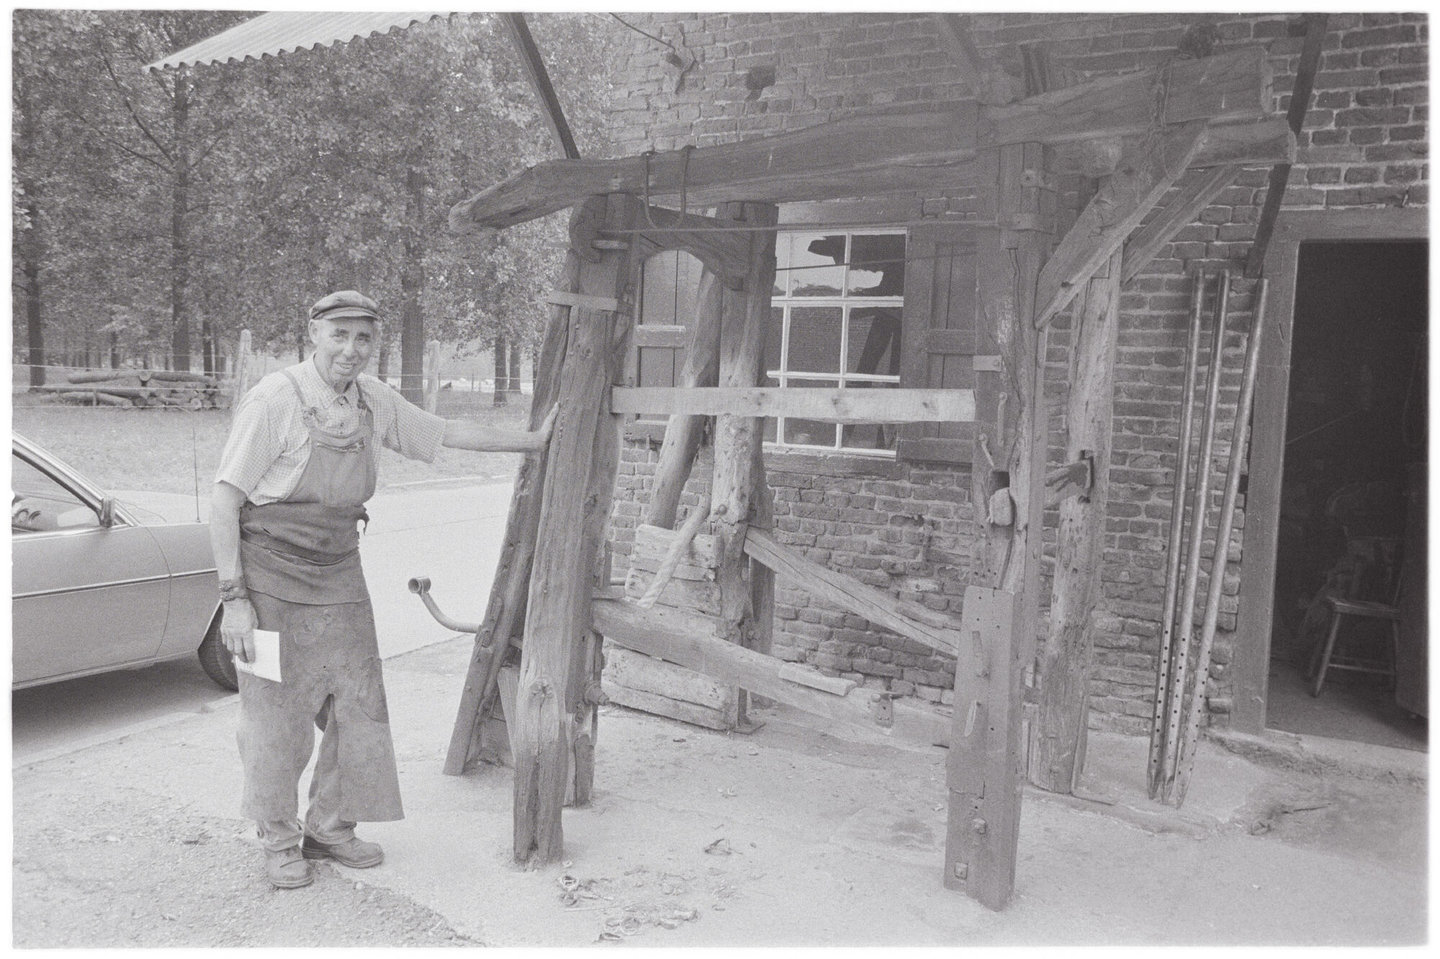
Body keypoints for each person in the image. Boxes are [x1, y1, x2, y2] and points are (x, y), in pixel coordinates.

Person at [210, 290, 555, 889]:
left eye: (363, 338)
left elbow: (443, 434)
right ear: (313, 332)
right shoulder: (274, 400)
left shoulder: (372, 400)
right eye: (339, 335)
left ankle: (330, 826)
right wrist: (233, 599)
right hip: (267, 578)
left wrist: (533, 442)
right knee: (274, 716)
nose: (351, 349)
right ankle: (278, 838)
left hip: (339, 571)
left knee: (359, 705)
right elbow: (224, 500)